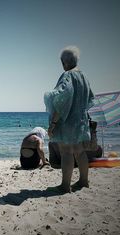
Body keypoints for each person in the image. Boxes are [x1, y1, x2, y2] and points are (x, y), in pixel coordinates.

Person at [44, 46, 94, 193]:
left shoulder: (67, 75)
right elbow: (89, 97)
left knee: (66, 151)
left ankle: (65, 186)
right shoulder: (84, 76)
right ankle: (84, 181)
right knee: (80, 151)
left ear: (64, 62)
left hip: (68, 121)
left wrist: (53, 123)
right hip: (81, 120)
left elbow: (61, 99)